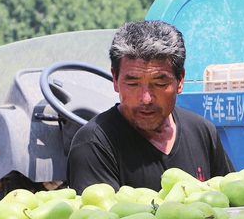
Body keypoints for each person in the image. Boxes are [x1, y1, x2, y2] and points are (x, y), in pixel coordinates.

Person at [66, 20, 234, 193]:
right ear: (115, 79)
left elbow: (230, 207)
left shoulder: (202, 132)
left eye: (159, 83)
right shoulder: (94, 145)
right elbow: (100, 218)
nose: (146, 98)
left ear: (180, 80)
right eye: (133, 83)